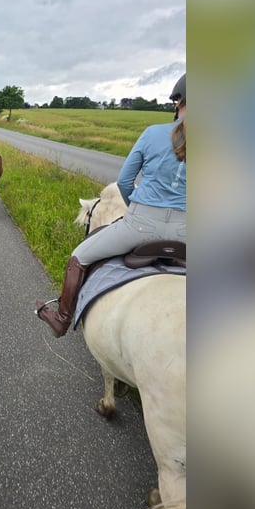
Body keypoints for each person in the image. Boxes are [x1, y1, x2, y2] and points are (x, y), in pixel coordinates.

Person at [35, 73, 187, 337]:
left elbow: (126, 182)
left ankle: (61, 317)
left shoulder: (152, 133)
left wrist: (136, 212)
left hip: (140, 226)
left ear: (178, 101)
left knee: (79, 257)